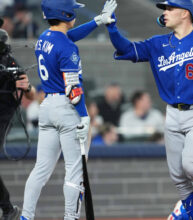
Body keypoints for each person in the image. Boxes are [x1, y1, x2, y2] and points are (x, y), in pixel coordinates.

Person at [106, 0, 193, 219]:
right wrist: (112, 28)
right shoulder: (158, 43)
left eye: (169, 8)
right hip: (173, 113)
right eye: (164, 9)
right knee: (178, 175)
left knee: (192, 165)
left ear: (185, 13)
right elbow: (126, 49)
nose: (165, 12)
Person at [19, 0, 117, 219]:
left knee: (41, 169)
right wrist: (84, 116)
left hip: (46, 107)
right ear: (64, 14)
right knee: (74, 171)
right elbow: (73, 89)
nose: (75, 12)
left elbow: (67, 36)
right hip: (66, 108)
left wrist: (97, 21)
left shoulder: (44, 37)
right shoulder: (67, 47)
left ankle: (26, 216)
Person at [0, 26, 35, 220]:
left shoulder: (10, 63)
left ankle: (7, 209)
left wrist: (26, 86)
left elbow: (32, 93)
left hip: (2, 114)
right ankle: (7, 209)